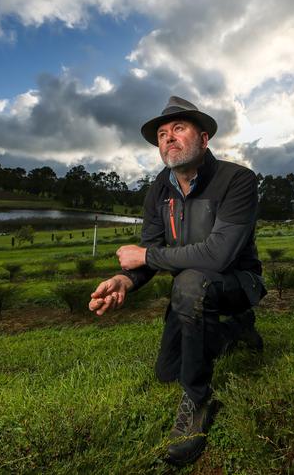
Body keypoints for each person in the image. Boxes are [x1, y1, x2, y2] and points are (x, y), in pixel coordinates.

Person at [88, 96, 266, 466]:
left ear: (204, 139)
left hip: (236, 282)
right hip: (191, 286)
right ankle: (234, 332)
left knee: (189, 283)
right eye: (162, 134)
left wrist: (147, 257)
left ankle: (198, 402)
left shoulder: (238, 180)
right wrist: (125, 280)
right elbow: (150, 249)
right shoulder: (160, 188)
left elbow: (218, 255)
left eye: (178, 129)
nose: (168, 138)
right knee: (166, 371)